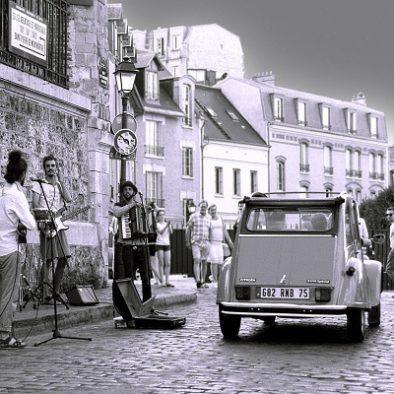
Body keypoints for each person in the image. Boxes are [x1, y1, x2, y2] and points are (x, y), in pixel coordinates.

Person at [0, 150, 36, 348]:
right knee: (8, 295)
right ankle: (4, 335)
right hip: (8, 250)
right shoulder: (16, 195)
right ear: (22, 174)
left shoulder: (1, 191)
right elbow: (30, 223)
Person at [31, 154, 72, 304]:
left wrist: (60, 181)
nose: (50, 168)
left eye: (53, 166)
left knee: (64, 258)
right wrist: (42, 220)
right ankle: (45, 295)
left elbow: (68, 199)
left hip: (58, 224)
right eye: (48, 166)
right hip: (45, 223)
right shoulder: (39, 184)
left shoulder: (58, 184)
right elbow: (34, 205)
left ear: (56, 167)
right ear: (44, 168)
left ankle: (55, 291)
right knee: (48, 260)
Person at [112, 181, 151, 301]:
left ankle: (147, 302)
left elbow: (147, 224)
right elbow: (116, 213)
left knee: (146, 276)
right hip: (127, 246)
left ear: (134, 192)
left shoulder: (141, 207)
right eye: (125, 190)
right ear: (122, 193)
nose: (127, 191)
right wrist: (131, 205)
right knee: (129, 276)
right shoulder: (119, 205)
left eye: (129, 189)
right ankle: (133, 303)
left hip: (142, 246)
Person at [185, 200, 211, 288]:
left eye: (205, 206)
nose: (203, 208)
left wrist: (210, 242)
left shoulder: (209, 217)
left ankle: (203, 280)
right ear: (199, 207)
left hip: (206, 242)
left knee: (204, 262)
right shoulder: (193, 216)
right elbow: (188, 229)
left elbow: (210, 230)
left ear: (207, 208)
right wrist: (187, 241)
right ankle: (198, 281)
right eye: (202, 206)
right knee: (197, 260)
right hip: (196, 242)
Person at [207, 204, 233, 287]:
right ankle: (214, 281)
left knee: (220, 263)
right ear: (209, 211)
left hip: (219, 243)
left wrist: (229, 241)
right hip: (212, 243)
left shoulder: (220, 218)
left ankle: (215, 278)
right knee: (214, 262)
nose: (213, 211)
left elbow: (224, 230)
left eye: (215, 210)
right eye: (212, 210)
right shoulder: (208, 220)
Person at [155, 209, 174, 287]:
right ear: (158, 217)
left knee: (168, 263)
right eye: (160, 215)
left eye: (163, 214)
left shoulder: (167, 224)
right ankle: (161, 281)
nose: (162, 216)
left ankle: (167, 281)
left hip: (167, 244)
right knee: (161, 263)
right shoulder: (157, 224)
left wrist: (169, 226)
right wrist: (167, 226)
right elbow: (160, 232)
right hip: (159, 244)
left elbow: (171, 232)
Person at [384, 207, 394, 290]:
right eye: (387, 214)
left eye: (390, 214)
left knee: (388, 269)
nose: (388, 216)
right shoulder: (392, 225)